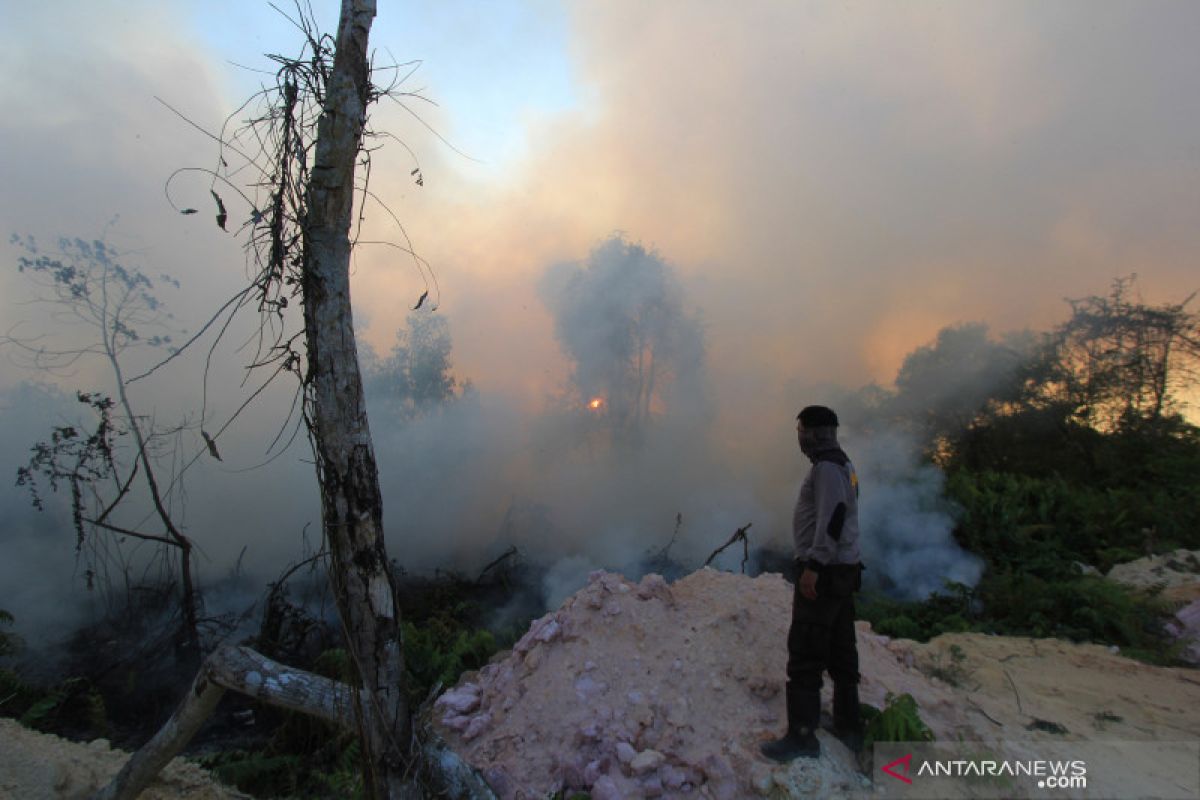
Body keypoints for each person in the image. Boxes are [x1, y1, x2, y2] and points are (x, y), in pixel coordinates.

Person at [761, 405, 864, 762]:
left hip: (826, 572)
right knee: (841, 652)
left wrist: (814, 565)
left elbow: (833, 518)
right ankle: (850, 727)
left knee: (805, 654)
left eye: (801, 430)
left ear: (813, 432)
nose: (799, 438)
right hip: (843, 573)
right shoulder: (843, 464)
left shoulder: (826, 469)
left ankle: (801, 739)